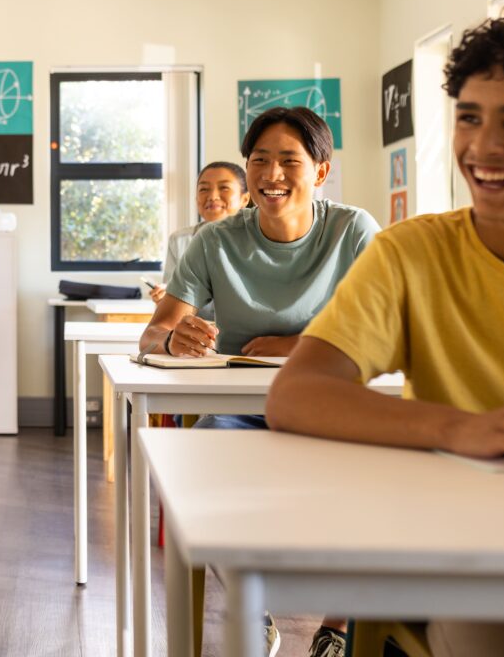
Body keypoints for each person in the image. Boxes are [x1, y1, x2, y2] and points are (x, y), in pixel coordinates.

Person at [266, 4, 504, 657]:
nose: (482, 147)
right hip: (470, 557)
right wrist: (462, 428)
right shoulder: (410, 255)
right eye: (469, 118)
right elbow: (296, 394)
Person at [139, 105, 380, 657]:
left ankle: (336, 630)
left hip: (335, 411)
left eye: (289, 161)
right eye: (259, 160)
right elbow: (153, 335)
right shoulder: (214, 241)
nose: (272, 175)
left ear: (320, 171)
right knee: (199, 452)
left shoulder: (353, 230)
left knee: (381, 473)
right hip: (243, 411)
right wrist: (174, 340)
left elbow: (388, 328)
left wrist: (298, 346)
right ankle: (254, 610)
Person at [149, 160, 250, 318]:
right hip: (194, 331)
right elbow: (172, 304)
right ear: (197, 199)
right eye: (204, 189)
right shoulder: (180, 240)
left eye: (224, 187)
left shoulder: (260, 239)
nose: (212, 196)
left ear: (244, 199)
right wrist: (164, 300)